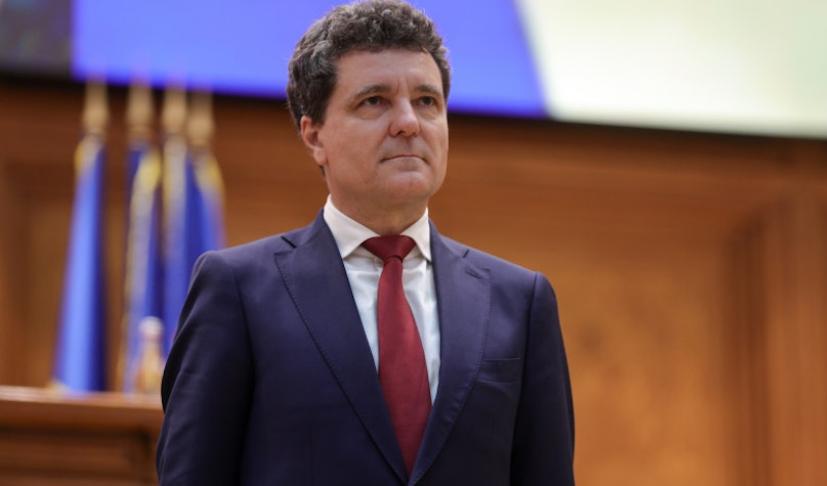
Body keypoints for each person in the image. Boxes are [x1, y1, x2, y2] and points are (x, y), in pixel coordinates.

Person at [156, 1, 575, 484]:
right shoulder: (238, 290)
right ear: (314, 136)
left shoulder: (519, 302)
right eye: (374, 101)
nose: (408, 122)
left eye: (427, 101)